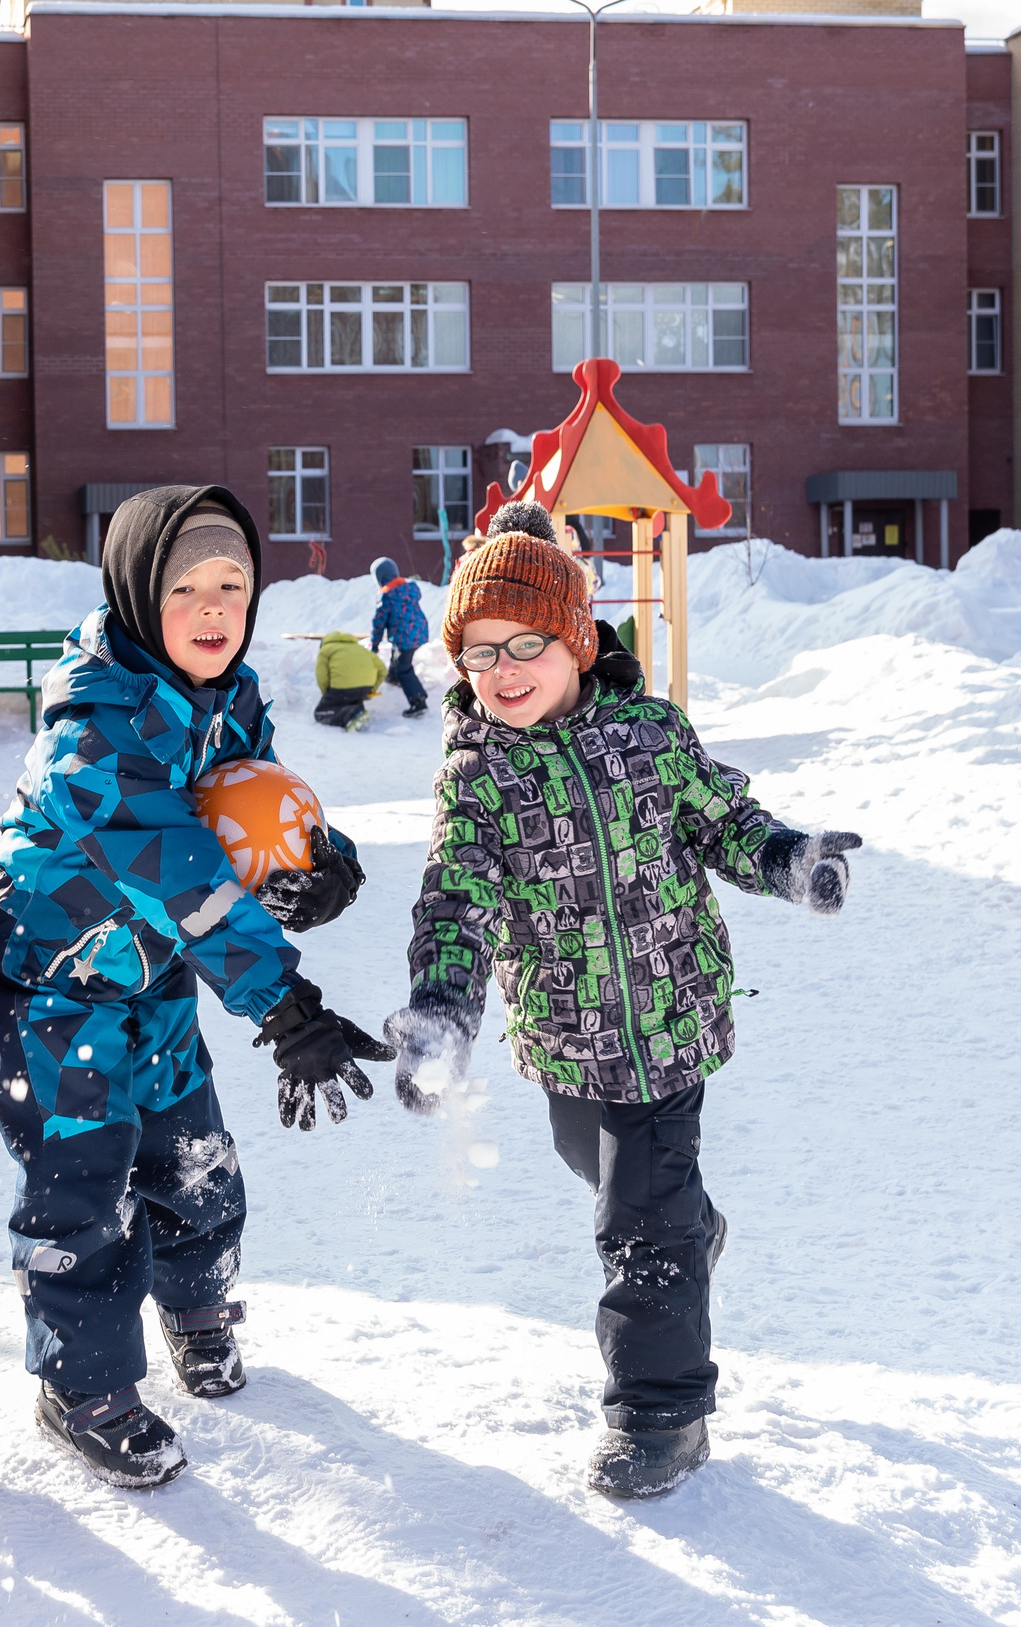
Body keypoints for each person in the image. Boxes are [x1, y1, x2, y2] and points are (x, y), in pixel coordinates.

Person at [384, 499, 863, 1501]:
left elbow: (725, 819)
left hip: (668, 1023)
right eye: (479, 652)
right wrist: (441, 1010)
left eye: (525, 644)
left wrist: (787, 858)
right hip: (567, 1035)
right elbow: (456, 899)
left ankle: (661, 1413)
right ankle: (690, 1229)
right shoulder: (477, 777)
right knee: (597, 1167)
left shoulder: (647, 733)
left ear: (574, 637)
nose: (503, 670)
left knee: (637, 1225)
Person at [0, 484, 386, 1490]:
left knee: (194, 1157)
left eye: (232, 584)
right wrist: (285, 1004)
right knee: (82, 1192)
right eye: (186, 585)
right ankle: (83, 1384)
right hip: (63, 979)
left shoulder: (225, 692)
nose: (213, 606)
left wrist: (320, 858)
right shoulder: (99, 725)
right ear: (133, 591)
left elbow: (253, 791)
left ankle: (196, 1307)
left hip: (155, 973)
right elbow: (187, 875)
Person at [369, 556, 431, 718]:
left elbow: (378, 624)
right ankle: (393, 677)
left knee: (404, 668)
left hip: (405, 637)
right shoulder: (409, 588)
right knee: (398, 657)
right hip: (419, 631)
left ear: (379, 578)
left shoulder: (386, 595)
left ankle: (418, 701)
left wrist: (374, 646)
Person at [312, 630, 386, 730]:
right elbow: (382, 670)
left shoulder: (325, 650)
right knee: (350, 700)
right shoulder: (361, 649)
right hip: (364, 689)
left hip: (342, 689)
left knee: (320, 713)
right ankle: (358, 711)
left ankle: (349, 715)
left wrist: (327, 694)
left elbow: (321, 675)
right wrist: (372, 690)